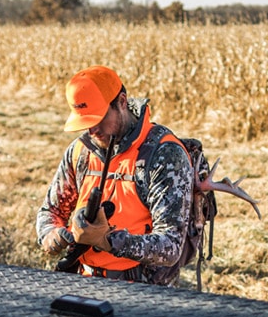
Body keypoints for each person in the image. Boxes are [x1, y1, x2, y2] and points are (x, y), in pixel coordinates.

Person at [36, 65, 193, 285]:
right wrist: (50, 233)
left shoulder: (164, 154)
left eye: (99, 119)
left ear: (121, 102)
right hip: (84, 281)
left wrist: (109, 241)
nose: (93, 130)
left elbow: (170, 246)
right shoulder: (80, 152)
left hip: (144, 291)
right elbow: (50, 211)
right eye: (86, 122)